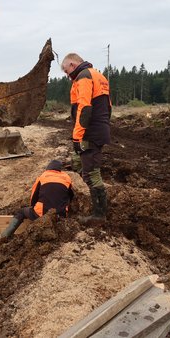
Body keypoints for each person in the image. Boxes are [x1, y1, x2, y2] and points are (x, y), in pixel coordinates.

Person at [61, 53, 111, 224]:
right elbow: (108, 106)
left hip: (90, 133)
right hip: (99, 129)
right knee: (80, 163)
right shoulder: (98, 75)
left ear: (73, 65)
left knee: (92, 174)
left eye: (66, 71)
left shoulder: (83, 77)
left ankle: (99, 215)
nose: (67, 76)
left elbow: (85, 108)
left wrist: (77, 137)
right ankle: (81, 200)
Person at [0, 160, 74, 239]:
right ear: (59, 169)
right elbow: (71, 196)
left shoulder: (42, 177)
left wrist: (33, 208)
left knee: (21, 212)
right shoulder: (66, 178)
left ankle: (3, 236)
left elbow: (33, 197)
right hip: (61, 215)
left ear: (48, 168)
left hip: (42, 214)